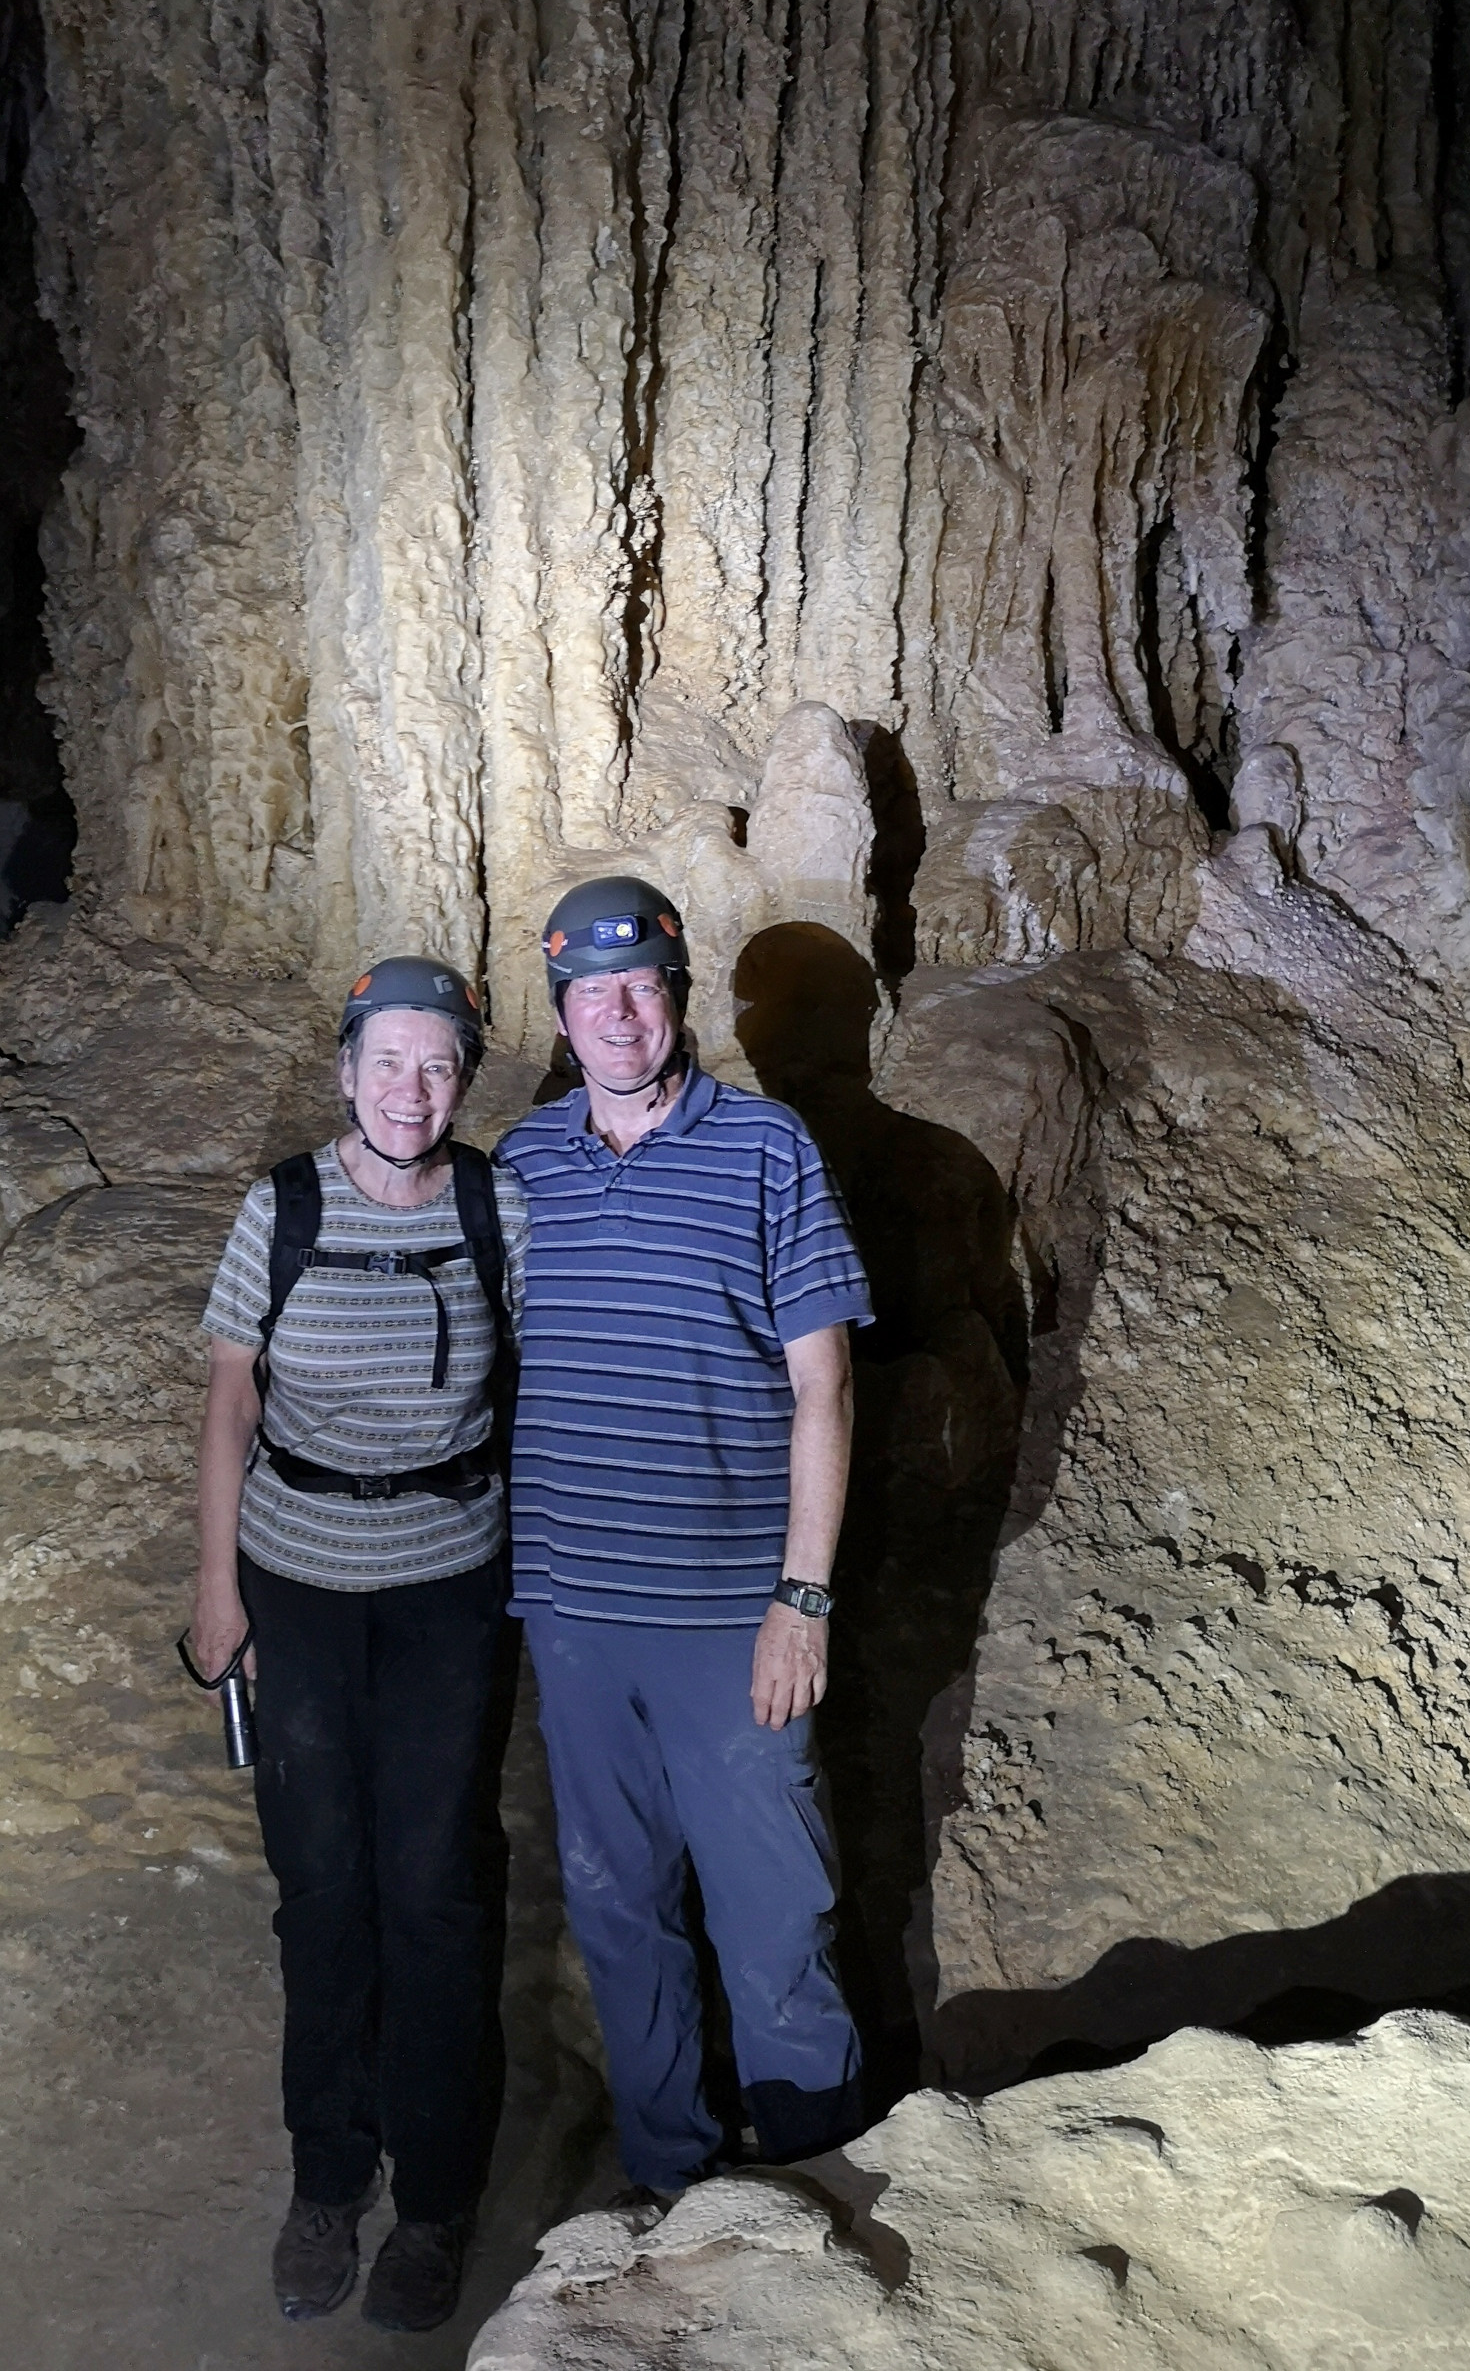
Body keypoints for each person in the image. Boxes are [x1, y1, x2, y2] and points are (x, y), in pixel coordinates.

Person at [498, 877, 873, 2202]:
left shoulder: (766, 1148)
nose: (618, 1013)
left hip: (733, 1624)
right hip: (575, 1619)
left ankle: (822, 2174)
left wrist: (803, 1599)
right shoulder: (522, 1166)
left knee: (775, 1910)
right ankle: (669, 2174)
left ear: (679, 998)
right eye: (590, 991)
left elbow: (825, 1385)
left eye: (641, 985)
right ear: (560, 1012)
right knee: (618, 1911)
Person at [190, 957, 529, 2332]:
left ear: (464, 1080)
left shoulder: (497, 1207)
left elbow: (550, 1374)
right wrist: (217, 1588)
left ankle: (436, 2198)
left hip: (449, 1585)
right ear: (345, 1071)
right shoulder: (279, 1207)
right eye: (387, 1060)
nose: (410, 1088)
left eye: (437, 1064)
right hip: (303, 1585)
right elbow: (231, 1399)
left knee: (437, 1889)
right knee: (323, 1885)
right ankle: (328, 2175)